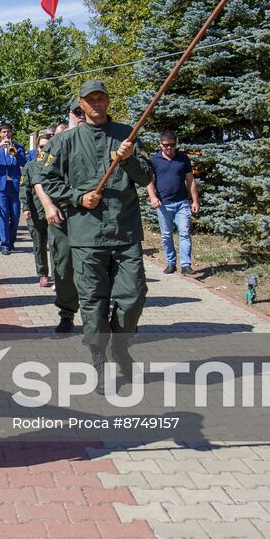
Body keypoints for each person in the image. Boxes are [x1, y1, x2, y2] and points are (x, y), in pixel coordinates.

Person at [39, 80, 153, 387]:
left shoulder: (127, 135)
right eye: (91, 99)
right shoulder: (66, 142)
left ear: (108, 100)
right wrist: (78, 197)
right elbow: (44, 178)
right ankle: (99, 357)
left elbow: (146, 177)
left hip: (125, 231)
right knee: (93, 300)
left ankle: (120, 342)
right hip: (86, 236)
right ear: (81, 103)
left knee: (134, 296)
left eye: (101, 97)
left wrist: (129, 159)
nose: (97, 103)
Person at [148, 130, 200, 275]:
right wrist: (153, 197)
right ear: (160, 144)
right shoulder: (154, 160)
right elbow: (149, 181)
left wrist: (195, 201)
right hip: (163, 204)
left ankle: (186, 265)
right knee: (166, 235)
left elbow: (190, 180)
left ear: (175, 144)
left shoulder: (183, 159)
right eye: (165, 145)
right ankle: (171, 263)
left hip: (182, 203)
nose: (169, 148)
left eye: (172, 145)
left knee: (184, 233)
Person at [0, 123, 25, 254]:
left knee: (15, 215)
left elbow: (24, 163)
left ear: (11, 133)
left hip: (14, 186)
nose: (6, 134)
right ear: (0, 134)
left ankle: (12, 241)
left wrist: (16, 152)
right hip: (0, 187)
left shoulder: (18, 147)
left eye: (8, 132)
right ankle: (5, 245)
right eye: (3, 132)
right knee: (3, 215)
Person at [20, 136, 54, 288]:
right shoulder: (30, 166)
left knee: (56, 246)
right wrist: (26, 208)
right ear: (37, 149)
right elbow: (24, 188)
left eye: (46, 147)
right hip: (35, 211)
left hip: (54, 212)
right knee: (39, 245)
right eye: (41, 147)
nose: (43, 150)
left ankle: (58, 275)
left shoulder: (55, 164)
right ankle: (43, 274)